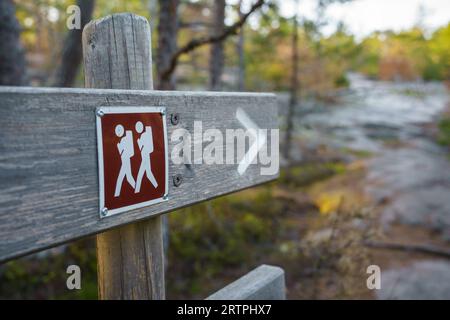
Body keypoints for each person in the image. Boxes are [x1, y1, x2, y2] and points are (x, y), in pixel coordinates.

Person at [134, 121, 158, 193]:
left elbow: (145, 147)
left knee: (141, 174)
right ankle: (156, 187)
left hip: (145, 156)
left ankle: (137, 190)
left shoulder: (144, 135)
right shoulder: (143, 135)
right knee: (148, 174)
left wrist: (139, 142)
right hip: (144, 156)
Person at [114, 124, 136, 197]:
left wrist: (119, 146)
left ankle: (116, 194)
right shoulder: (123, 139)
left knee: (124, 177)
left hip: (125, 160)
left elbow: (128, 152)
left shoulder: (125, 139)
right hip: (124, 160)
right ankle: (136, 189)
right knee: (128, 177)